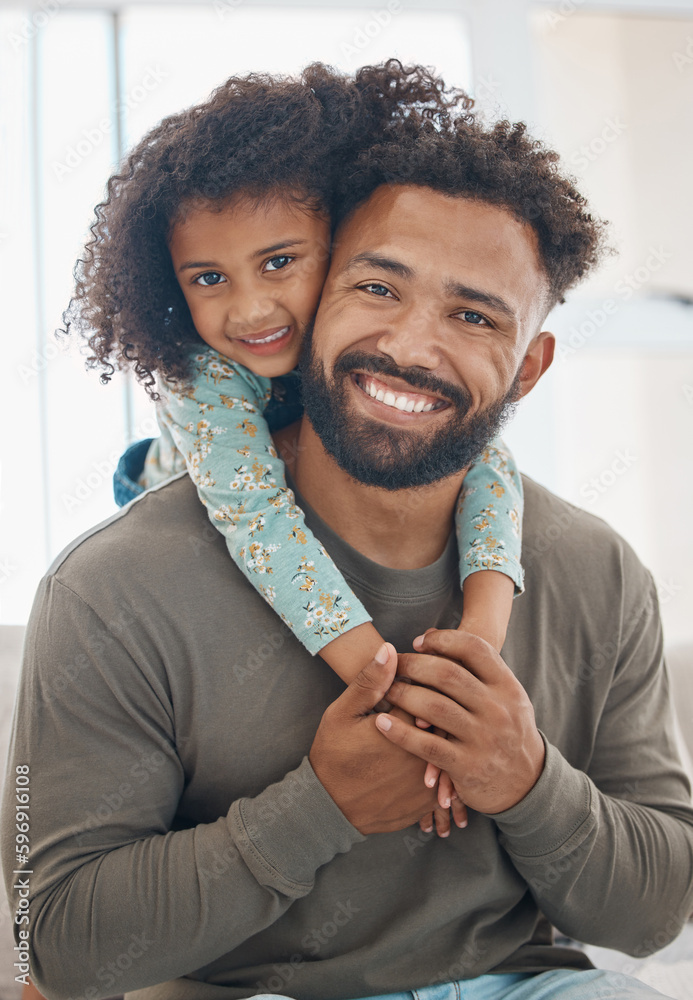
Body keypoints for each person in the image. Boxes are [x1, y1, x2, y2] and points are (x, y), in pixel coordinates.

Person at [4, 99, 693, 1000]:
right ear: (320, 296)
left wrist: (524, 782)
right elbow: (53, 947)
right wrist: (319, 808)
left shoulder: (594, 570)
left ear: (529, 366)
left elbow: (654, 914)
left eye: (476, 317)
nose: (410, 345)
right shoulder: (114, 589)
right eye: (377, 288)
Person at [64, 61, 523, 822]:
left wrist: (477, 646)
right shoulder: (200, 374)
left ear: (341, 238)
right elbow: (258, 522)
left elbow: (490, 462)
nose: (249, 309)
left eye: (279, 262)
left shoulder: (361, 341)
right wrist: (394, 695)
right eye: (207, 278)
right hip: (188, 500)